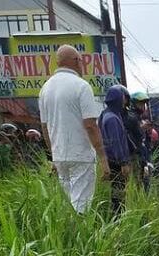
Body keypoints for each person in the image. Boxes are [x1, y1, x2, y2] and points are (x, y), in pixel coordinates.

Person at [39, 45, 109, 214]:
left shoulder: (45, 89)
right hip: (81, 156)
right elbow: (91, 126)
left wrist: (54, 156)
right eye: (81, 61)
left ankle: (68, 238)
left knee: (68, 205)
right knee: (81, 206)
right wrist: (103, 158)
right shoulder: (81, 86)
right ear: (76, 61)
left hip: (60, 157)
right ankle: (82, 239)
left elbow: (45, 128)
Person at [99, 85, 131, 214]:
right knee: (118, 195)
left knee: (115, 193)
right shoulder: (112, 118)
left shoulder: (105, 114)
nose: (125, 101)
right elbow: (116, 142)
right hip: (116, 163)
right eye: (123, 98)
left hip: (110, 161)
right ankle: (118, 220)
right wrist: (123, 163)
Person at [126, 91, 151, 189]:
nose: (143, 106)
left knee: (145, 180)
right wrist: (141, 128)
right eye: (140, 103)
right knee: (139, 183)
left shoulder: (139, 118)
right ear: (133, 103)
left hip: (143, 153)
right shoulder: (131, 117)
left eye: (144, 104)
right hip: (136, 155)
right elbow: (132, 137)